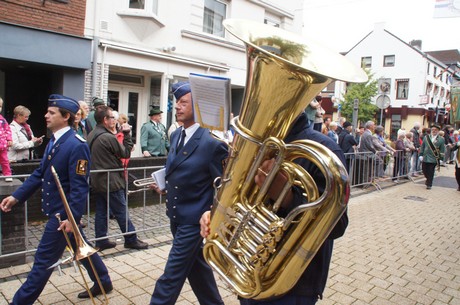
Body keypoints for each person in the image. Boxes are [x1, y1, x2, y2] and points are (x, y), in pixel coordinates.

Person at [200, 111, 349, 305]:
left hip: (292, 285)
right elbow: (236, 197)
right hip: (247, 271)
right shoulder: (255, 144)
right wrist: (215, 215)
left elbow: (338, 225)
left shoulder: (324, 150)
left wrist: (285, 196)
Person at [0, 94, 113, 304]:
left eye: (51, 112)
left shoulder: (76, 144)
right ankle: (104, 281)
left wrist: (72, 218)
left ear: (66, 116)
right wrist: (16, 197)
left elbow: (80, 187)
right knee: (82, 246)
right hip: (60, 213)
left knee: (42, 263)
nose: (46, 115)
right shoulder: (55, 140)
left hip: (63, 215)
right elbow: (40, 174)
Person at [149, 81, 227, 305]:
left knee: (170, 277)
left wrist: (212, 214)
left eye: (184, 102)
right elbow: (177, 169)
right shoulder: (176, 135)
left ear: (199, 107)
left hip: (194, 222)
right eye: (177, 102)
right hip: (176, 216)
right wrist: (163, 185)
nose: (178, 107)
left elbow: (223, 186)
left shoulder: (213, 142)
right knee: (198, 272)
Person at [87, 105, 148, 251]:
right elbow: (126, 153)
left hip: (98, 180)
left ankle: (101, 240)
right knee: (121, 211)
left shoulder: (91, 134)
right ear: (105, 120)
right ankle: (131, 239)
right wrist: (127, 134)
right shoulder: (107, 137)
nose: (114, 120)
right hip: (111, 181)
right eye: (112, 117)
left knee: (102, 211)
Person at [420, 124, 445, 190]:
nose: (434, 131)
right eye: (433, 130)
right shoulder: (426, 137)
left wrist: (441, 159)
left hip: (434, 158)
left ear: (438, 131)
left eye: (435, 130)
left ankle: (429, 184)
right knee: (424, 170)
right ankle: (428, 179)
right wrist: (420, 155)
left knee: (431, 171)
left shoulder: (441, 139)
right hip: (425, 157)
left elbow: (442, 149)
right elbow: (422, 146)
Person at [0, 97, 13, 181]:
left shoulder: (2, 120)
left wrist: (9, 139)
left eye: (0, 106)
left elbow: (7, 129)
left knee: (5, 161)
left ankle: (7, 174)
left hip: (2, 145)